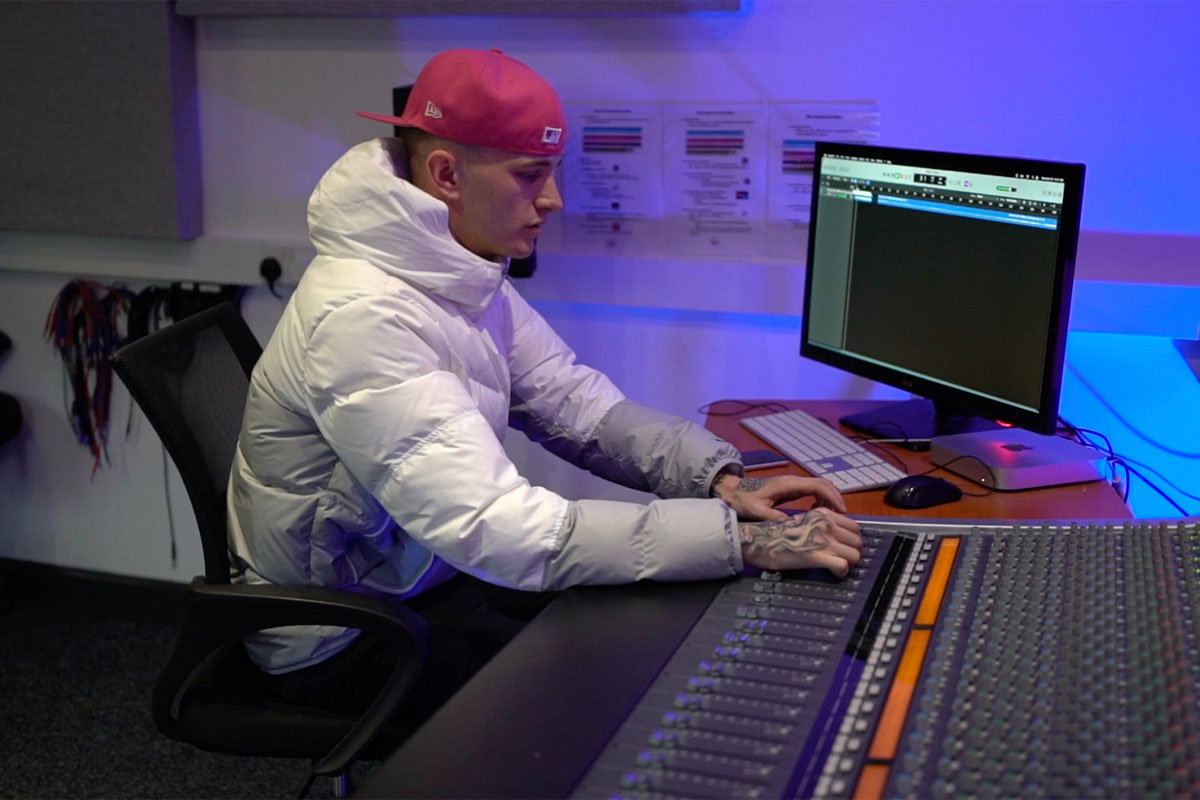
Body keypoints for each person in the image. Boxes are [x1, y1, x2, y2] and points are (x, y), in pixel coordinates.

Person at [227, 47, 861, 719]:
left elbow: (573, 403)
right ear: (445, 174)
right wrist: (738, 539)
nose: (554, 200)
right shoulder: (364, 314)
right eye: (531, 176)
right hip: (341, 634)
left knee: (640, 636)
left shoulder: (454, 269)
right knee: (610, 698)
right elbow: (497, 529)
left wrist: (719, 482)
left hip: (419, 575)